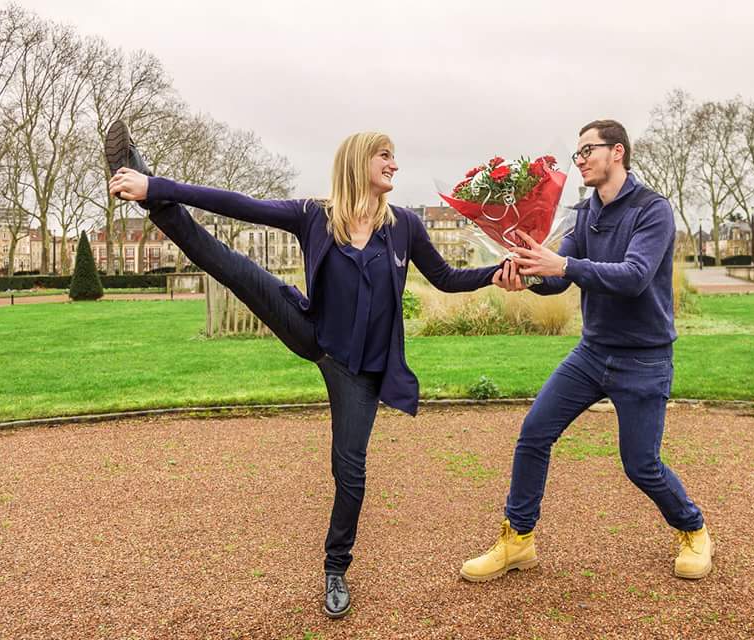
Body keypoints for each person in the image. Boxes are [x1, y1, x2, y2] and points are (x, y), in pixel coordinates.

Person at [108, 123, 511, 618]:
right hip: (312, 332)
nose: (394, 165)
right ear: (358, 161)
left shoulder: (405, 224)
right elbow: (235, 201)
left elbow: (447, 279)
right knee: (228, 264)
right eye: (385, 155)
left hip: (360, 372)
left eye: (394, 157)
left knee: (351, 473)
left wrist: (499, 272)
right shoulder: (314, 216)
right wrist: (158, 188)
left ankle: (335, 569)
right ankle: (143, 183)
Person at [460, 119, 713, 583]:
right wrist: (529, 276)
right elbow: (559, 278)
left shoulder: (653, 210)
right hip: (592, 352)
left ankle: (692, 527)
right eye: (576, 154)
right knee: (534, 432)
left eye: (586, 151)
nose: (579, 161)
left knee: (641, 465)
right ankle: (518, 540)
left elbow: (634, 276)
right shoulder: (583, 212)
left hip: (645, 358)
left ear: (617, 152)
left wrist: (564, 263)